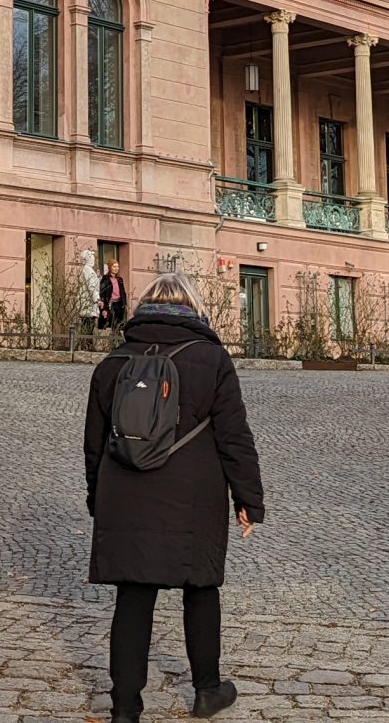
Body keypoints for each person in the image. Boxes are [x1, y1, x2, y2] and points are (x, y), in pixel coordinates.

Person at [83, 272, 265, 721]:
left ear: (143, 308)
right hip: (194, 494)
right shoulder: (211, 360)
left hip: (124, 492)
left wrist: (97, 500)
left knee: (133, 595)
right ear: (193, 308)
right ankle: (207, 691)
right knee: (201, 586)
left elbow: (93, 442)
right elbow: (234, 437)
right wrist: (249, 500)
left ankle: (125, 709)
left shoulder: (113, 362)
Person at [99, 265, 128, 331]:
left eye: (118, 266)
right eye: (114, 266)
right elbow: (102, 293)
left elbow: (123, 292)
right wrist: (104, 308)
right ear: (110, 268)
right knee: (109, 324)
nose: (117, 268)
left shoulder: (119, 279)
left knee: (119, 325)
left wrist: (124, 303)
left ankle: (117, 339)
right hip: (110, 304)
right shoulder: (105, 279)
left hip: (119, 304)